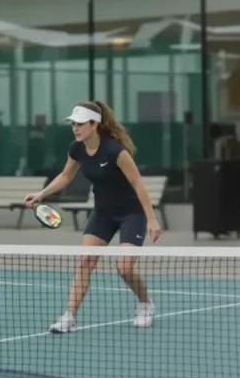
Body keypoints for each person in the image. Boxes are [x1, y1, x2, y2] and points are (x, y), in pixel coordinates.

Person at [24, 101, 162, 334]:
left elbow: (138, 183)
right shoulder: (76, 148)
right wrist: (41, 194)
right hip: (103, 213)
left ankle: (145, 303)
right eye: (73, 124)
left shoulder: (115, 151)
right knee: (85, 261)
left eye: (80, 124)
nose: (75, 128)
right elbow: (66, 175)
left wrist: (152, 219)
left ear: (94, 124)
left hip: (131, 213)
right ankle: (70, 316)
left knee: (125, 268)